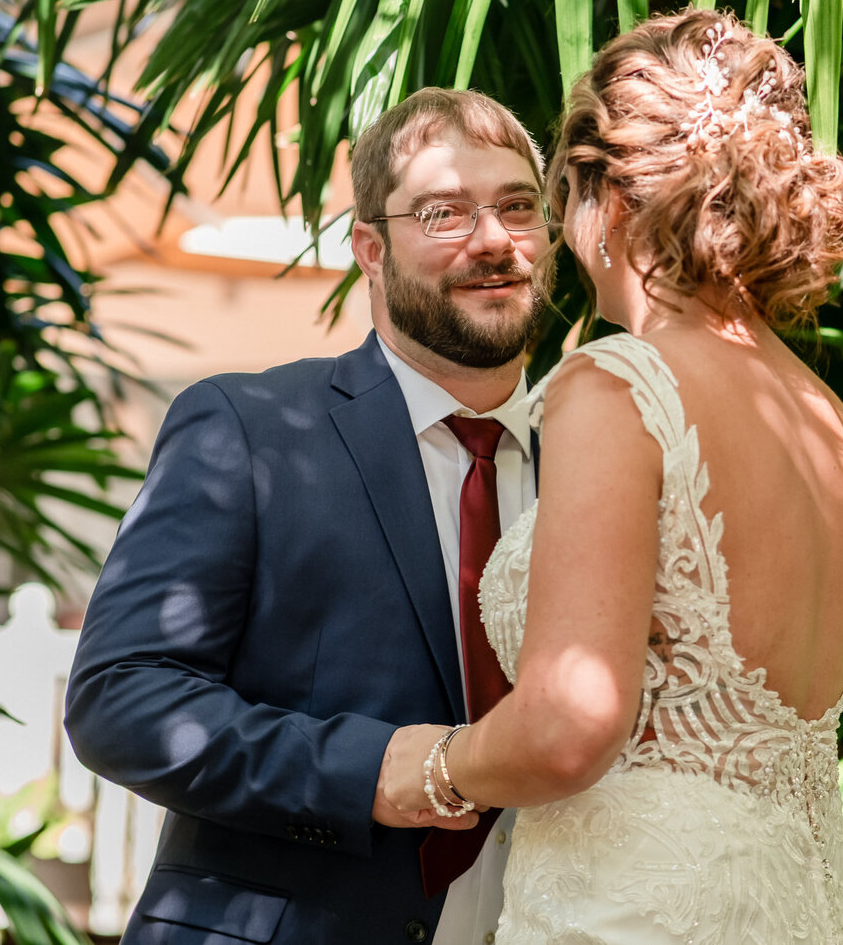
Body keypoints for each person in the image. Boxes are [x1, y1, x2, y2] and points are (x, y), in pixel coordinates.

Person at [383, 9, 843, 942]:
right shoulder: (821, 412)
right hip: (800, 900)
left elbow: (571, 722)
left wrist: (432, 767)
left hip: (638, 909)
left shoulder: (621, 384)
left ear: (605, 200)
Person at [65, 87, 553, 942]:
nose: (492, 240)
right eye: (444, 212)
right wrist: (371, 772)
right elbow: (119, 697)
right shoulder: (246, 427)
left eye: (518, 206)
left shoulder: (595, 457)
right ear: (369, 247)